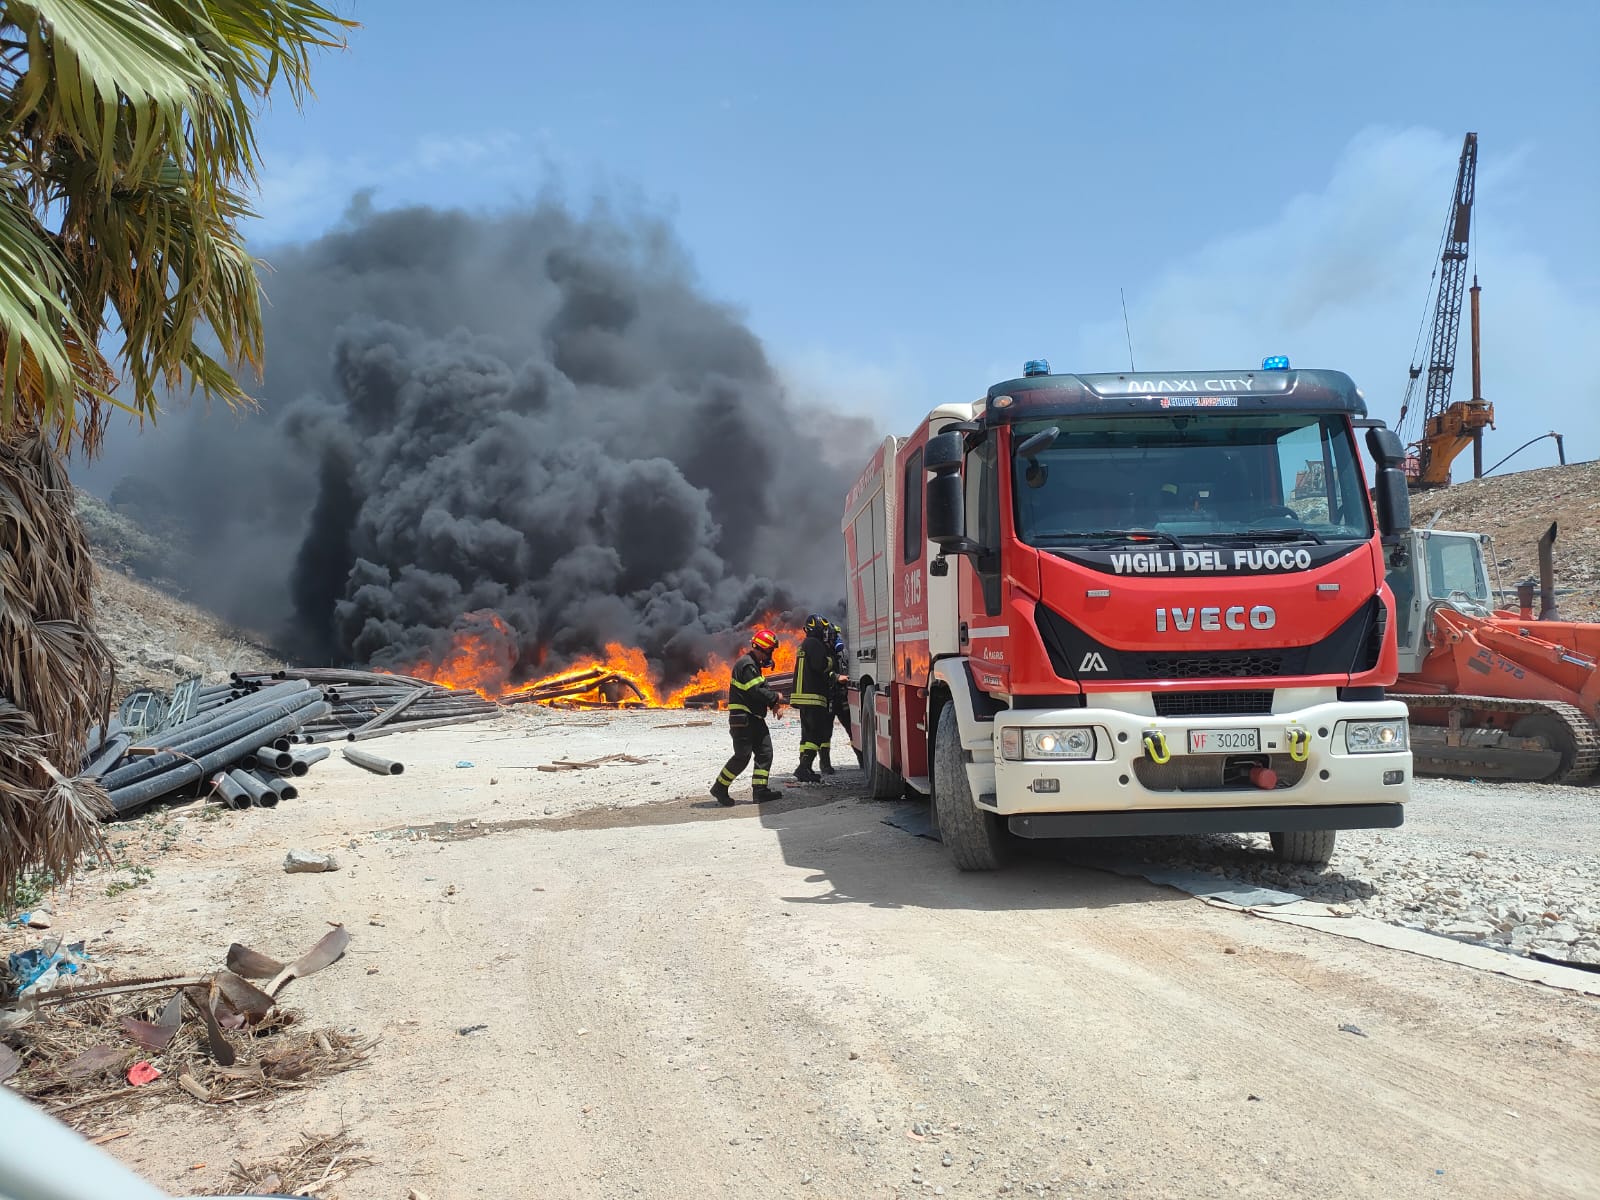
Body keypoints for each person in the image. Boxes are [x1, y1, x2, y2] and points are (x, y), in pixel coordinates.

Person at [708, 628, 786, 806]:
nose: (771, 654)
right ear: (763, 649)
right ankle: (720, 787)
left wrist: (774, 703)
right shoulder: (747, 665)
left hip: (754, 719)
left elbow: (762, 688)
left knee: (765, 753)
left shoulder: (753, 666)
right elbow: (756, 691)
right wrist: (776, 698)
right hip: (743, 719)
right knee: (742, 756)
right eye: (771, 650)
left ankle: (760, 792)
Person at [791, 614, 835, 782]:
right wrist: (831, 660)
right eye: (822, 629)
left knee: (807, 734)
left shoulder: (805, 644)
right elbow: (820, 665)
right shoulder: (815, 644)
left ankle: (806, 768)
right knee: (816, 734)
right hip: (813, 697)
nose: (824, 632)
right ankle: (803, 768)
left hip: (803, 697)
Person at [822, 620, 854, 773]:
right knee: (825, 732)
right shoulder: (821, 653)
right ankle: (825, 764)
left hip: (842, 697)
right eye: (834, 637)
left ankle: (862, 760)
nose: (836, 639)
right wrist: (835, 677)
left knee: (852, 729)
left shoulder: (843, 653)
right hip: (828, 697)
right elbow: (820, 673)